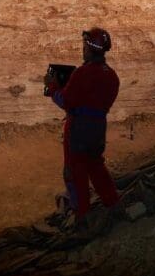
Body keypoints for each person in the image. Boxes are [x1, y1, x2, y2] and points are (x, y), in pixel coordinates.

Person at [44, 27, 120, 223]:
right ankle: (113, 204)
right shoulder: (112, 76)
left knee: (75, 170)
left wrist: (53, 87)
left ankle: (82, 215)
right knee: (96, 166)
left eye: (84, 45)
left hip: (79, 128)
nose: (82, 48)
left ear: (88, 47)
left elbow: (65, 101)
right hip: (98, 128)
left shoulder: (82, 74)